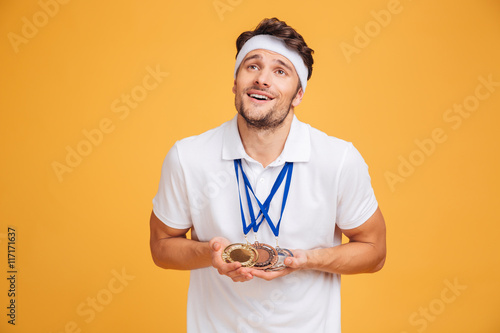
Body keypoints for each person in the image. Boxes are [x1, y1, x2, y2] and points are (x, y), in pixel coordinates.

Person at [150, 17, 386, 333]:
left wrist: (307, 259)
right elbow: (161, 246)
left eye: (280, 71)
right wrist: (210, 254)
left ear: (299, 94)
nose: (263, 79)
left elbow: (375, 251)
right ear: (235, 82)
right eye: (252, 66)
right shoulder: (188, 156)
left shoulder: (338, 159)